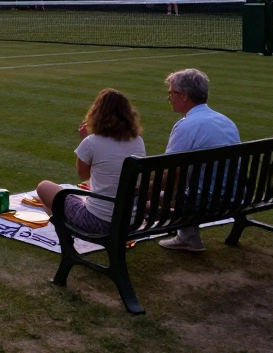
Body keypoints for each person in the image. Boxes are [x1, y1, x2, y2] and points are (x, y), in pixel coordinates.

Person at [36, 88, 146, 235]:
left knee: (44, 187)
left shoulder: (91, 142)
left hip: (98, 222)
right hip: (130, 222)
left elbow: (84, 175)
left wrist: (85, 141)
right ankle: (63, 226)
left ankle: (63, 230)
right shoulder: (138, 141)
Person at [158, 68, 241, 252]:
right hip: (235, 195)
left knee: (157, 197)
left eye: (171, 93)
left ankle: (188, 238)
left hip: (207, 201)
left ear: (184, 95)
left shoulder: (185, 126)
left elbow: (169, 175)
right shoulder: (226, 121)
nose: (169, 97)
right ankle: (188, 237)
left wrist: (141, 192)